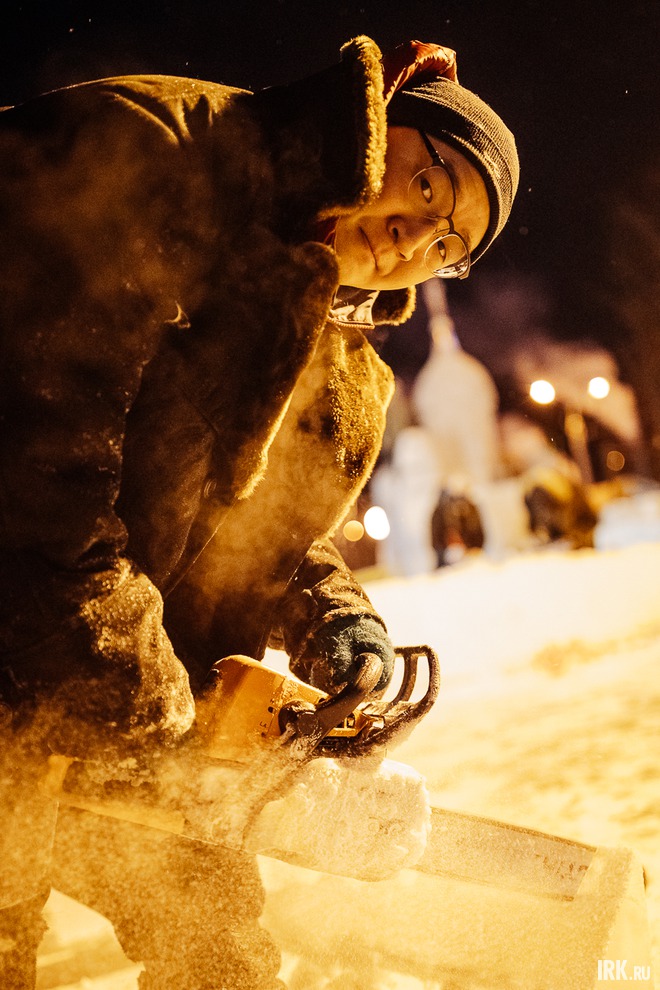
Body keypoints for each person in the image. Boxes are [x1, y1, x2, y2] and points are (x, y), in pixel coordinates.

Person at [0, 34, 518, 989]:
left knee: (220, 953)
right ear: (385, 119)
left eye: (448, 246)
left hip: (91, 679)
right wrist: (158, 719)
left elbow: (250, 519)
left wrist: (328, 614)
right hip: (57, 657)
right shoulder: (166, 154)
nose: (415, 236)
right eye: (432, 185)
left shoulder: (336, 358)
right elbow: (37, 483)